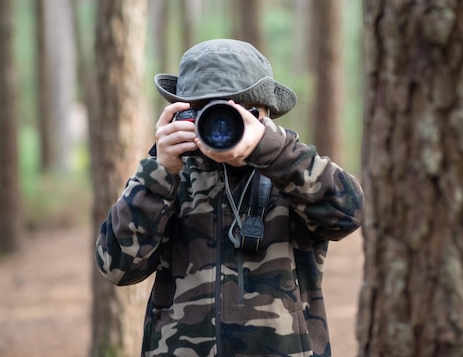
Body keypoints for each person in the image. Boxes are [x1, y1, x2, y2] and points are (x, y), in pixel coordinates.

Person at [95, 38, 364, 357]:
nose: (225, 123)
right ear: (185, 115)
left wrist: (272, 150)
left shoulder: (293, 170)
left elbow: (349, 215)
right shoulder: (170, 176)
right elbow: (117, 267)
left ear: (266, 114)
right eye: (209, 110)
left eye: (242, 110)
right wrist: (158, 172)